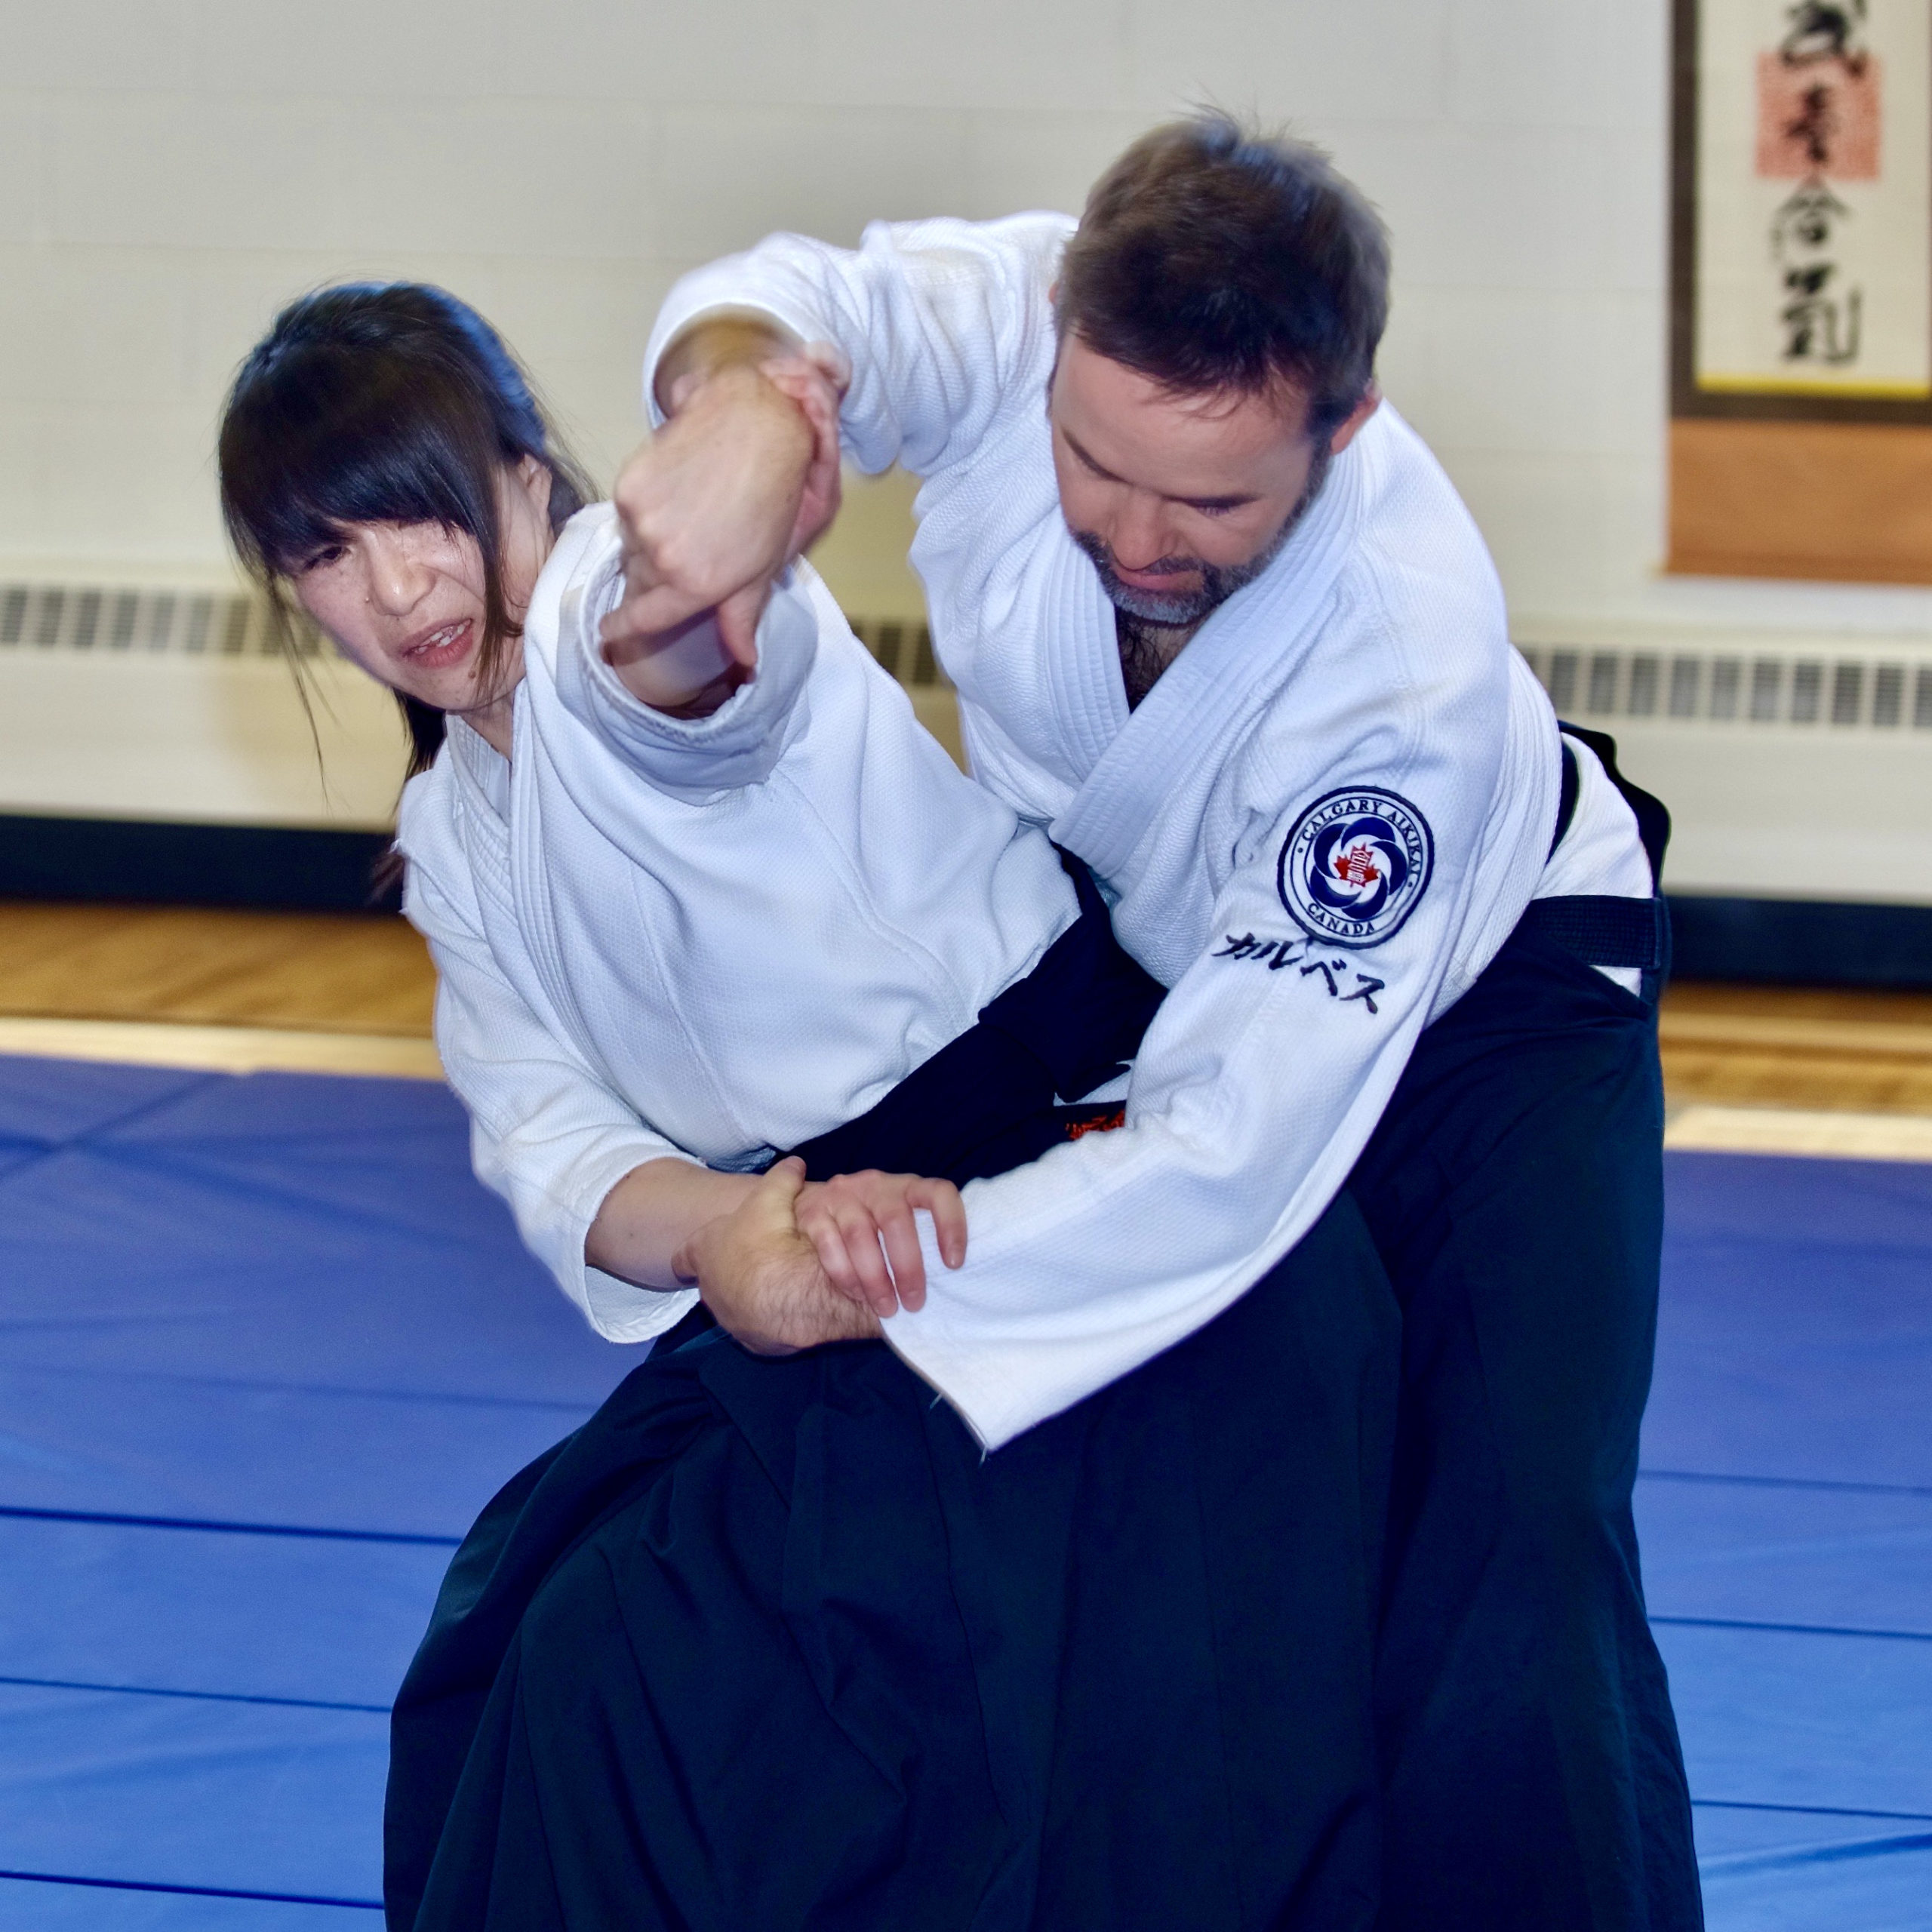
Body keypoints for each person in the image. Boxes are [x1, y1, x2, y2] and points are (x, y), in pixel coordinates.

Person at [610, 114, 1702, 1927]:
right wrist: (740, 405)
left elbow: (1223, 1150)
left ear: (1338, 433)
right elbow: (798, 303)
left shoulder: (1397, 666)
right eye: (1090, 466)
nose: (1131, 535)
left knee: (1508, 1535)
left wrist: (907, 1261)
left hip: (1492, 1004)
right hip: (1148, 936)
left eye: (1209, 504)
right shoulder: (1025, 315)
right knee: (1217, 1505)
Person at [219, 282, 1405, 1930]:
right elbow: (562, 1149)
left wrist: (705, 568)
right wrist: (737, 1244)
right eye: (327, 555)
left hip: (1079, 1180)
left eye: (422, 514)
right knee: (544, 1644)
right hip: (822, 1248)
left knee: (859, 1725)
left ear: (527, 478)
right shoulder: (457, 839)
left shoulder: (597, 643)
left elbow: (694, 701)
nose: (397, 584)